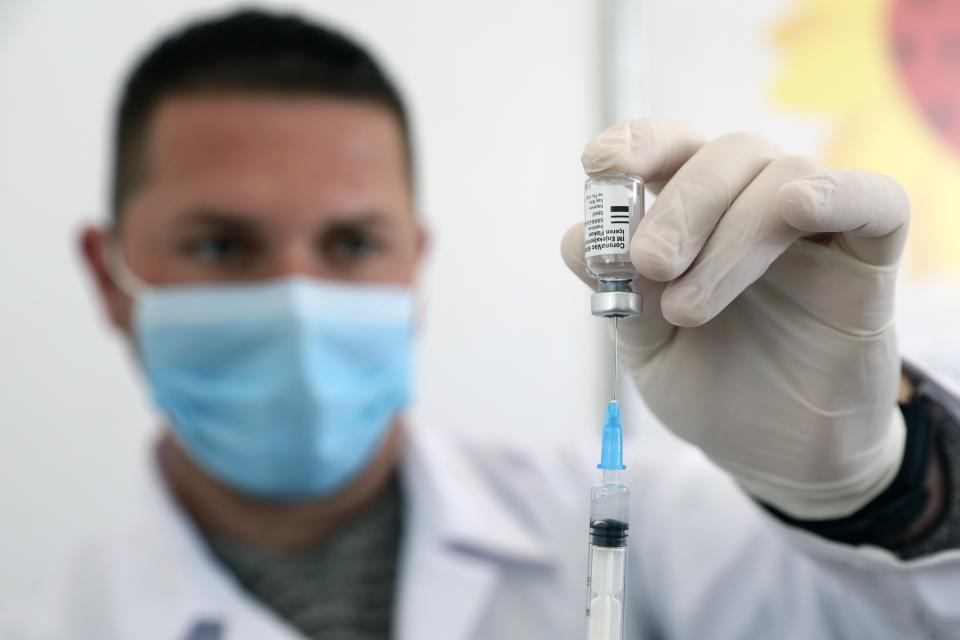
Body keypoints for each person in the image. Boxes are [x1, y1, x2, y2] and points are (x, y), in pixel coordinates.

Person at [4, 9, 959, 640]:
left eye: (351, 243)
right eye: (220, 246)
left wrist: (873, 490)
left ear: (414, 263)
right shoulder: (61, 619)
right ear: (109, 274)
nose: (298, 297)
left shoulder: (625, 522)